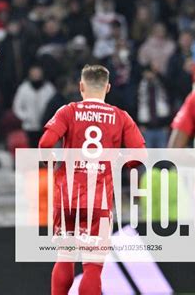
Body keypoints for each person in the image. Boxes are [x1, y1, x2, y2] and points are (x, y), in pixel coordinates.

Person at [38, 65, 145, 295]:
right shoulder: (120, 116)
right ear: (107, 87)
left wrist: (51, 161)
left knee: (65, 257)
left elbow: (45, 144)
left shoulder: (68, 111)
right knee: (92, 266)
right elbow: (140, 156)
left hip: (67, 196)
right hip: (99, 199)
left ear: (81, 86)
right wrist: (120, 164)